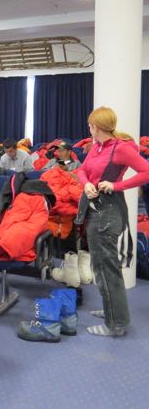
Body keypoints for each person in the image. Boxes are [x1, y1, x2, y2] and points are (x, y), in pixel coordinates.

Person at [76, 106, 149, 337]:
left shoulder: (120, 149)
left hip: (107, 211)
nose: (89, 128)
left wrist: (117, 185)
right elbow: (81, 170)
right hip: (97, 208)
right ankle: (112, 310)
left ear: (96, 127)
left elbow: (146, 172)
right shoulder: (97, 146)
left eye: (90, 125)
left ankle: (115, 323)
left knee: (107, 268)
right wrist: (86, 183)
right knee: (103, 266)